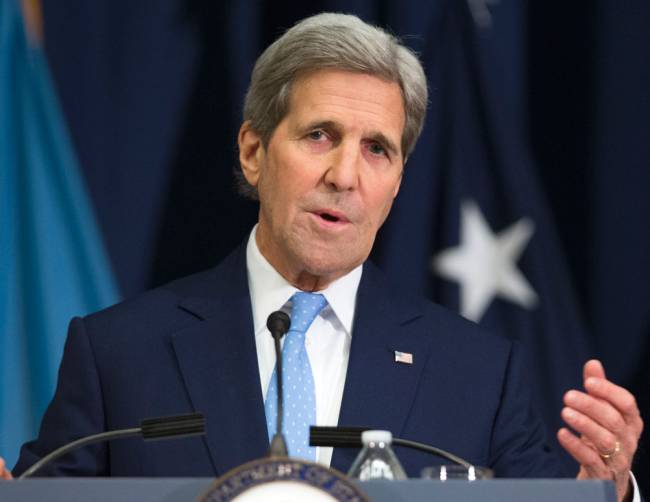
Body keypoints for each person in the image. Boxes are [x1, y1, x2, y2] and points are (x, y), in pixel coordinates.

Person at [1, 12, 643, 501]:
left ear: (396, 183)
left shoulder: (477, 372)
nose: (345, 175)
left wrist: (602, 489)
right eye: (320, 136)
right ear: (253, 152)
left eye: (377, 150)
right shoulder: (119, 352)